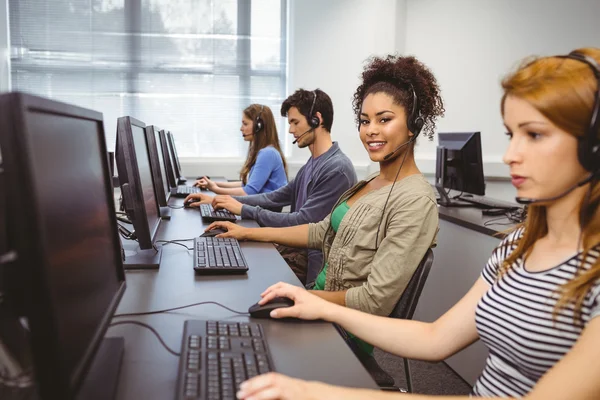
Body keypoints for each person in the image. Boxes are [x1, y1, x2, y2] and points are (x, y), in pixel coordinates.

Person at [235, 48, 600, 399]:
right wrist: (316, 303)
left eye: (533, 135)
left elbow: (376, 301)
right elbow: (436, 338)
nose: (509, 156)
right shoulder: (517, 245)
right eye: (510, 135)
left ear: (594, 147)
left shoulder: (413, 199)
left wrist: (322, 393)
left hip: (350, 332)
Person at [205, 55, 443, 357]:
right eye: (364, 120)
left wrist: (306, 298)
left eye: (384, 119)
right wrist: (247, 233)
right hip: (317, 303)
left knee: (239, 340)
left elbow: (374, 301)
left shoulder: (414, 201)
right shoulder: (370, 183)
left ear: (414, 125)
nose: (370, 130)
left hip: (342, 331)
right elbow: (319, 231)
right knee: (229, 315)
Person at [186, 89, 357, 284]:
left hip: (314, 266)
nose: (291, 130)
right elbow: (274, 197)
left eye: (295, 122)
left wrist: (245, 210)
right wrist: (226, 201)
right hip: (298, 252)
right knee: (233, 250)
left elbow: (303, 222)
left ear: (317, 119)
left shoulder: (336, 169)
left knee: (246, 272)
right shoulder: (312, 163)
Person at [194, 104, 288, 196]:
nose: (241, 128)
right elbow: (246, 184)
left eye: (245, 124)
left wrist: (215, 189)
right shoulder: (265, 152)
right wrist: (213, 184)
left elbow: (248, 192)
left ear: (259, 126)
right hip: (258, 207)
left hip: (262, 210)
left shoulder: (268, 153)